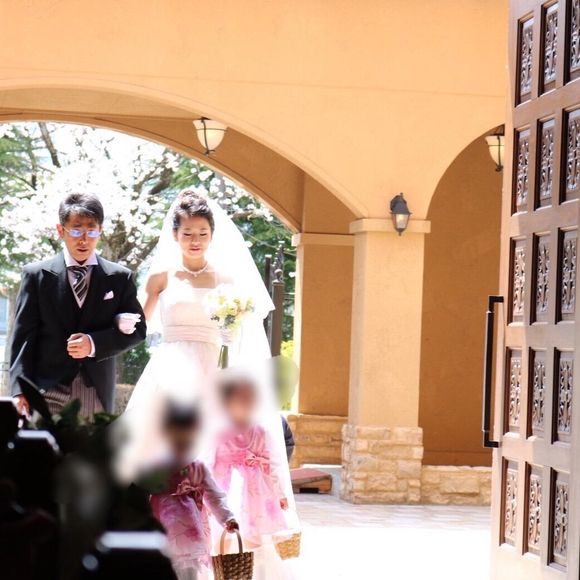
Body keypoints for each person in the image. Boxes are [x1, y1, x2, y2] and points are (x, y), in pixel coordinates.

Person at [9, 193, 146, 417]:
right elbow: (24, 337)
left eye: (91, 231)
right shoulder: (36, 275)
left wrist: (93, 343)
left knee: (90, 442)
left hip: (95, 391)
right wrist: (18, 389)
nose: (84, 239)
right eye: (76, 230)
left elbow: (138, 330)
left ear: (100, 231)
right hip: (46, 388)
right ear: (60, 230)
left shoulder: (119, 278)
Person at [149, 404, 238, 580]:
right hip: (172, 526)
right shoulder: (154, 465)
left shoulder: (196, 466)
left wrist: (227, 518)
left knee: (186, 569)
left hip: (184, 528)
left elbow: (213, 494)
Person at [212, 376, 289, 548]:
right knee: (221, 536)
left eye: (250, 400)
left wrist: (280, 492)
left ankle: (251, 562)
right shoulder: (218, 432)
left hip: (253, 492)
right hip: (225, 487)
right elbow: (207, 462)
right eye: (241, 400)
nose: (246, 405)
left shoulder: (260, 431)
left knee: (253, 535)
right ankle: (222, 563)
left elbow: (273, 463)